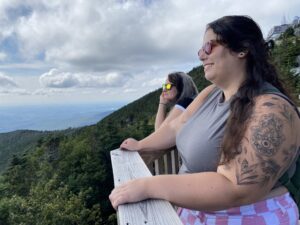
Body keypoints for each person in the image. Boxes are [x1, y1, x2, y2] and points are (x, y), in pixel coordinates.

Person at [110, 15, 300, 225]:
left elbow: (236, 188)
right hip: (195, 213)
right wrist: (141, 145)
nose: (201, 55)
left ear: (242, 49)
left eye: (209, 46)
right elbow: (175, 127)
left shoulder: (272, 109)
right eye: (200, 49)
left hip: (251, 216)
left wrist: (148, 186)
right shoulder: (210, 93)